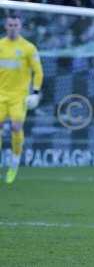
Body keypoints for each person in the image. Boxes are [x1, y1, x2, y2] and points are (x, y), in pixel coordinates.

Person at [0, 14, 43, 184]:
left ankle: (15, 162)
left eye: (15, 25)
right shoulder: (0, 45)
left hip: (19, 96)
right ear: (5, 27)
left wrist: (35, 92)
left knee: (16, 127)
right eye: (10, 25)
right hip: (1, 94)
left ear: (20, 27)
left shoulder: (28, 48)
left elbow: (38, 71)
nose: (12, 28)